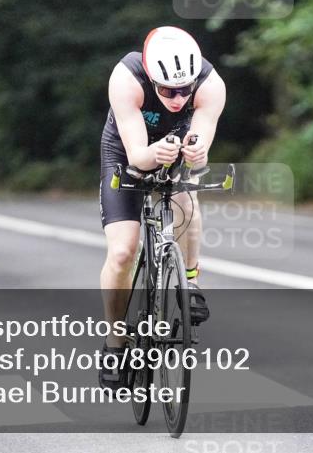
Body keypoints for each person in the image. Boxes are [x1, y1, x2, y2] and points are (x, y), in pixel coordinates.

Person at [97, 26, 226, 388]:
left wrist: (197, 152)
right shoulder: (126, 78)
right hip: (126, 152)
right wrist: (153, 154)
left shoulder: (211, 84)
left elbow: (199, 147)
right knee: (122, 252)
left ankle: (191, 282)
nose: (178, 99)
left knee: (188, 196)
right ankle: (115, 342)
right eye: (168, 91)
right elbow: (138, 154)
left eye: (185, 90)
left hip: (174, 153)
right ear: (152, 79)